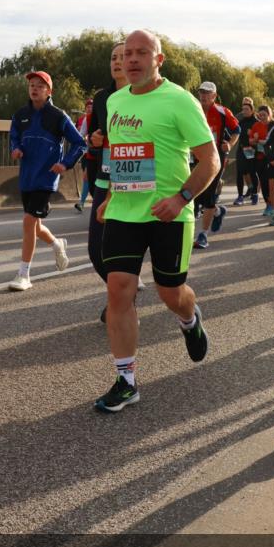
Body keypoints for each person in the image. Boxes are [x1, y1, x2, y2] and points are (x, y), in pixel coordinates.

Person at [94, 30, 219, 411]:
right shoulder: (115, 101)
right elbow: (121, 154)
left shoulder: (180, 101)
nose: (131, 60)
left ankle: (189, 318)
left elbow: (209, 160)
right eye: (127, 54)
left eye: (141, 53)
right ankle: (126, 380)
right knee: (119, 289)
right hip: (124, 212)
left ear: (158, 60)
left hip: (170, 214)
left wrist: (181, 198)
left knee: (170, 294)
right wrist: (112, 195)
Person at [8, 71, 86, 291]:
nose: (34, 89)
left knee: (28, 222)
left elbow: (79, 143)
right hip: (27, 177)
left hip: (46, 178)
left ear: (49, 91)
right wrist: (15, 148)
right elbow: (13, 135)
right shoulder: (20, 115)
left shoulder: (58, 116)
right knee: (35, 225)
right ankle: (57, 243)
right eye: (32, 85)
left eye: (40, 86)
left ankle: (24, 274)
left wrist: (66, 163)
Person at [87, 42, 128, 319]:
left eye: (123, 56)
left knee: (123, 249)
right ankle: (124, 295)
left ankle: (122, 302)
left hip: (135, 183)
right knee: (95, 249)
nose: (117, 62)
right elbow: (92, 136)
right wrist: (96, 140)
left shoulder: (145, 96)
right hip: (105, 179)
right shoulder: (102, 98)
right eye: (113, 57)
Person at [193, 82, 239, 249]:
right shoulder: (194, 109)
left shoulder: (222, 112)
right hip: (197, 157)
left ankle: (203, 235)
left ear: (214, 96)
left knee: (209, 195)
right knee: (198, 194)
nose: (204, 96)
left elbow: (237, 130)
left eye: (208, 93)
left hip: (216, 157)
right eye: (202, 92)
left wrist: (230, 144)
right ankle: (218, 211)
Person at [251, 105, 274, 221]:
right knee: (263, 182)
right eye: (260, 115)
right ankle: (269, 205)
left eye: (264, 115)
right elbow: (251, 141)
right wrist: (255, 140)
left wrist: (262, 141)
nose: (262, 117)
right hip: (260, 157)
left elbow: (273, 140)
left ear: (269, 114)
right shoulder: (256, 126)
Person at [233, 98, 259, 205]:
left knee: (252, 172)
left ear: (252, 111)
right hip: (241, 149)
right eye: (243, 109)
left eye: (247, 109)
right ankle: (240, 196)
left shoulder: (256, 123)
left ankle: (254, 194)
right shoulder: (240, 122)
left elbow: (261, 136)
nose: (244, 111)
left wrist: (253, 134)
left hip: (252, 150)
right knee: (240, 172)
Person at [74, 98, 95, 212]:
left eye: (92, 106)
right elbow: (80, 135)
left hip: (100, 153)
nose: (90, 108)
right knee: (86, 178)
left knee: (92, 178)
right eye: (88, 107)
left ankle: (86, 202)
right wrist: (84, 138)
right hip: (87, 153)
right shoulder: (85, 119)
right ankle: (82, 203)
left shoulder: (102, 116)